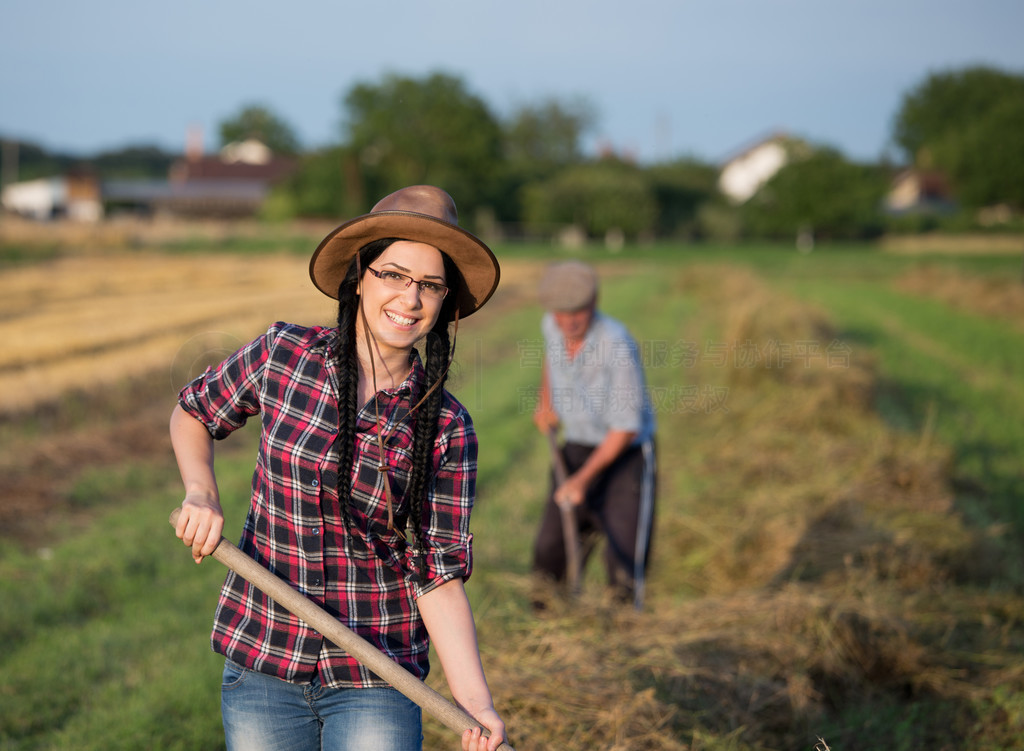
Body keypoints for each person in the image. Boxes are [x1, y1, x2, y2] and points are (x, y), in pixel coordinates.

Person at [170, 185, 508, 751]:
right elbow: (193, 412)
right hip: (263, 658)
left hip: (377, 673)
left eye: (429, 284)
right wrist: (201, 492)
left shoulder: (447, 426)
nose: (410, 297)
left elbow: (437, 574)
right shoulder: (285, 355)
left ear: (446, 300)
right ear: (360, 275)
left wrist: (477, 705)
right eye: (394, 275)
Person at [531, 260, 657, 610]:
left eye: (578, 312)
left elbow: (625, 427)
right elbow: (550, 358)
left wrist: (583, 480)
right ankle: (546, 623)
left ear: (595, 302)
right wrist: (546, 402)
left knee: (623, 557)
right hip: (575, 445)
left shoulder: (616, 345)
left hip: (625, 456)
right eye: (561, 313)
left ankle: (623, 627)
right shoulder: (551, 326)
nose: (568, 321)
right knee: (550, 549)